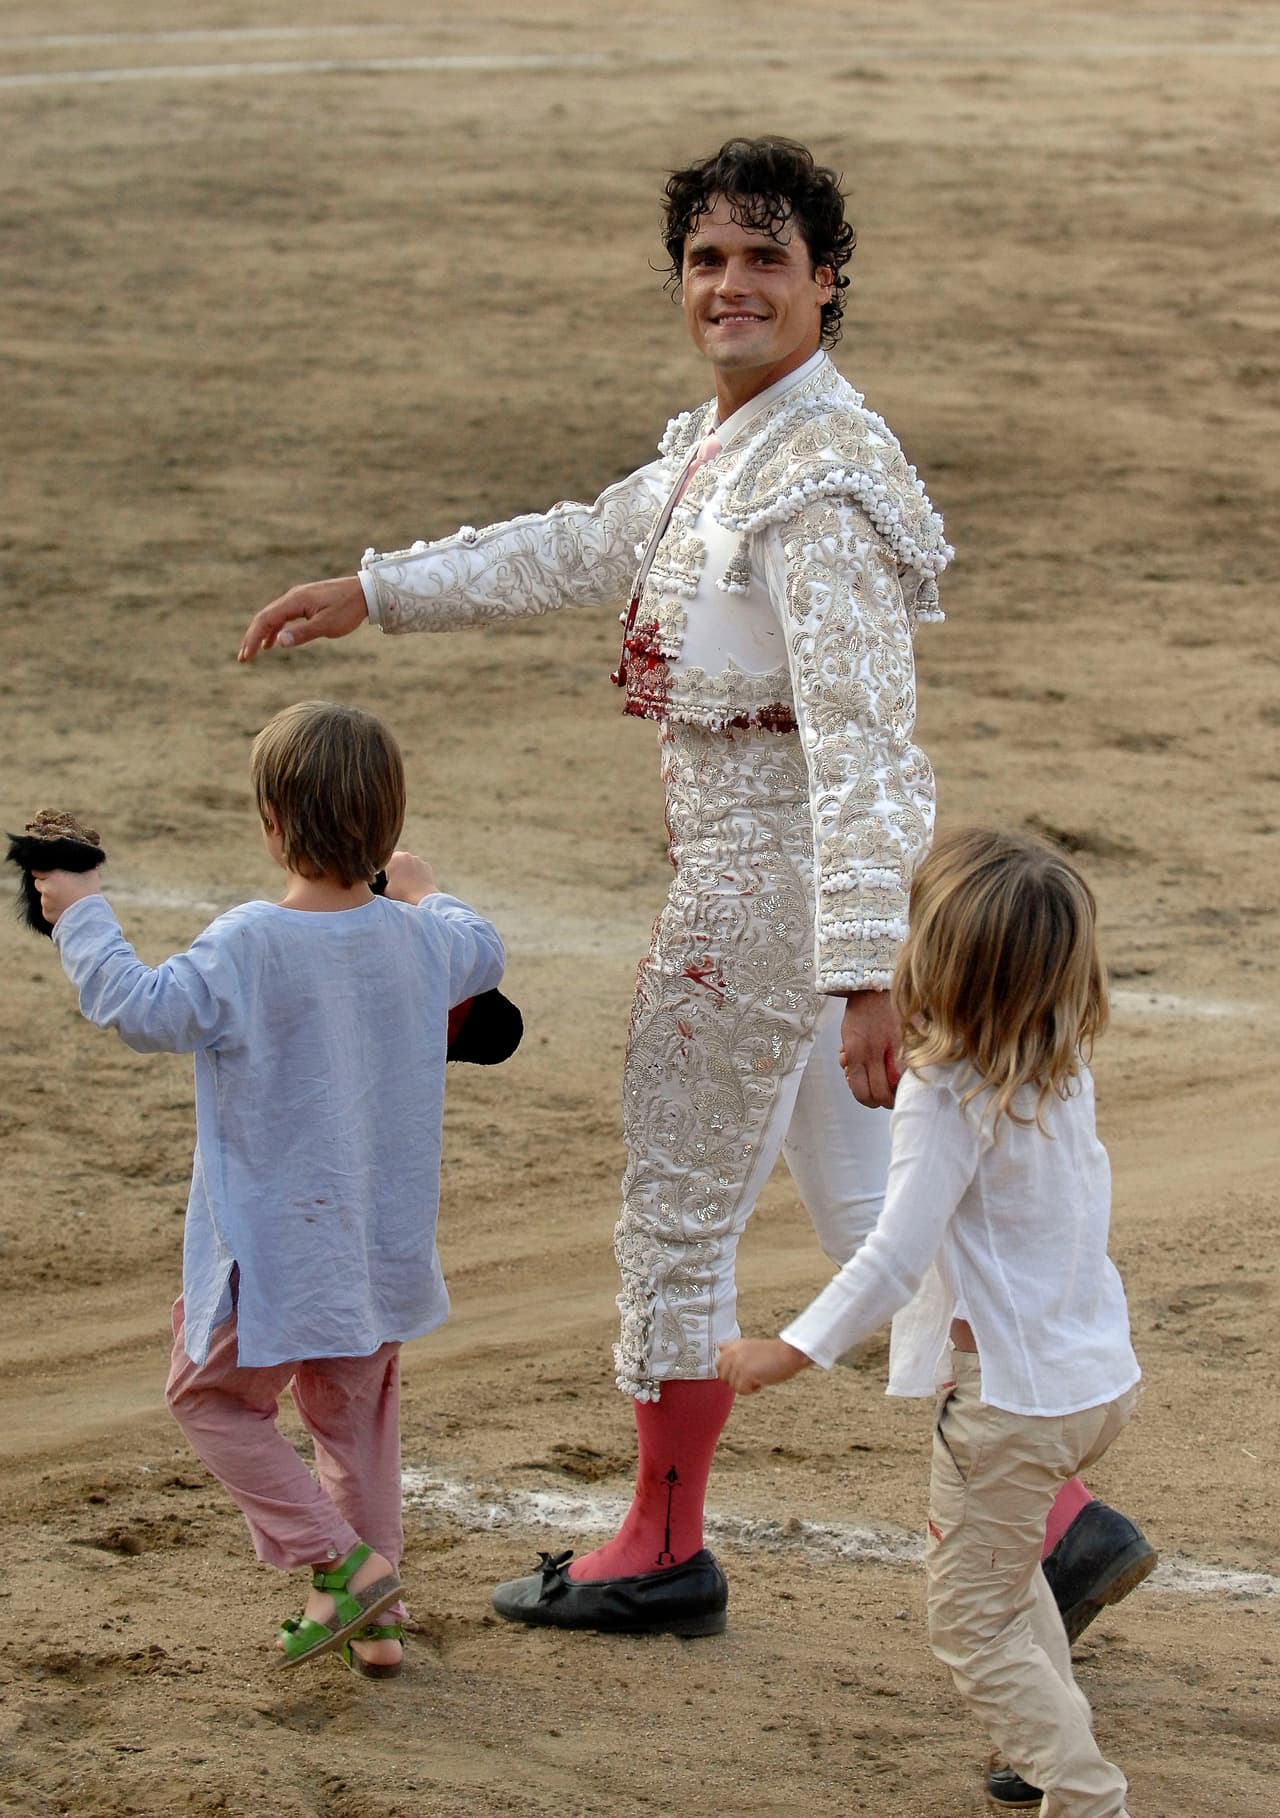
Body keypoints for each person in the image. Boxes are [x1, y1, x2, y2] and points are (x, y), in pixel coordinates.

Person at [236, 136, 1152, 1645]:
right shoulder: (737, 449)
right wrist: (375, 591)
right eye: (707, 259)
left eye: (765, 258)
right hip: (793, 903)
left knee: (676, 1213)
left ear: (826, 282)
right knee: (878, 1218)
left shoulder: (819, 484)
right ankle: (1057, 1518)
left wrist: (868, 967)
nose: (731, 284)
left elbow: (871, 751)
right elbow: (583, 543)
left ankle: (661, 1542)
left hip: (759, 905)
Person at [35, 700, 505, 1676]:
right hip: (377, 1246)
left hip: (275, 1247)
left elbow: (139, 1007)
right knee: (358, 1424)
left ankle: (346, 1572)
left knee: (207, 1400)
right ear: (385, 828)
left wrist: (81, 913)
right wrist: (425, 891)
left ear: (271, 826)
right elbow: (482, 946)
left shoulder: (251, 942)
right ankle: (376, 1626)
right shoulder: (423, 941)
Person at [718, 830, 1143, 1818]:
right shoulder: (1057, 1064)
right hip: (1092, 1384)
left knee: (970, 1627)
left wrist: (789, 1349)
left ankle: (1085, 1796)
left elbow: (892, 1256)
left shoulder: (944, 1096)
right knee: (1008, 1582)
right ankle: (1052, 1750)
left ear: (932, 961)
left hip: (1007, 1410)